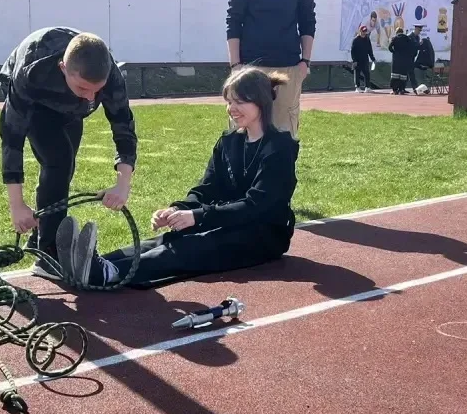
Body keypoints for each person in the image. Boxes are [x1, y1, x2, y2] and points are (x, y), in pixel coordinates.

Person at [54, 66, 299, 289]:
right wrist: (178, 209)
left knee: (191, 247)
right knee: (168, 239)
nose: (231, 108)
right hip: (227, 222)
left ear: (260, 101)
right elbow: (207, 188)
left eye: (239, 101)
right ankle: (93, 263)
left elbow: (257, 205)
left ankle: (108, 272)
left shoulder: (279, 147)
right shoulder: (228, 142)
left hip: (263, 236)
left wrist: (197, 216)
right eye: (229, 101)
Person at [0, 27, 136, 268]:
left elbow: (123, 125)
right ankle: (48, 253)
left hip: (71, 109)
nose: (91, 98)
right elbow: (12, 137)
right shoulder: (31, 71)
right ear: (63, 68)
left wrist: (123, 184)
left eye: (97, 90)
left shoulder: (110, 75)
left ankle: (39, 235)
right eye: (83, 88)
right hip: (37, 102)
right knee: (59, 160)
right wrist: (17, 205)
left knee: (64, 167)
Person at [225, 0, 316, 140]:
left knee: (284, 138)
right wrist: (236, 65)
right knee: (242, 137)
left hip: (288, 69)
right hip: (250, 69)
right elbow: (234, 18)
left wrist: (304, 62)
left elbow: (307, 20)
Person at [388, 26, 417, 95]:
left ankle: (395, 90)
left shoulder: (395, 38)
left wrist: (394, 52)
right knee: (403, 75)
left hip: (396, 59)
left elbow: (389, 47)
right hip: (404, 59)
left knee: (395, 75)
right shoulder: (407, 38)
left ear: (397, 32)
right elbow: (412, 48)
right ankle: (402, 89)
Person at [411, 23, 437, 95]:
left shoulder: (423, 50)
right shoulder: (430, 50)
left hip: (421, 68)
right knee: (425, 80)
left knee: (420, 79)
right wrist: (432, 66)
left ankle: (421, 89)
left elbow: (419, 59)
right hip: (427, 67)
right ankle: (424, 89)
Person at [350, 24, 375, 93]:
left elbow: (370, 49)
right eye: (363, 31)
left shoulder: (367, 39)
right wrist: (354, 60)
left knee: (367, 73)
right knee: (357, 74)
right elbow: (352, 51)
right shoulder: (355, 40)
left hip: (365, 59)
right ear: (360, 31)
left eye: (365, 31)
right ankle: (357, 87)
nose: (364, 33)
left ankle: (367, 87)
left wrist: (372, 58)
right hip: (357, 60)